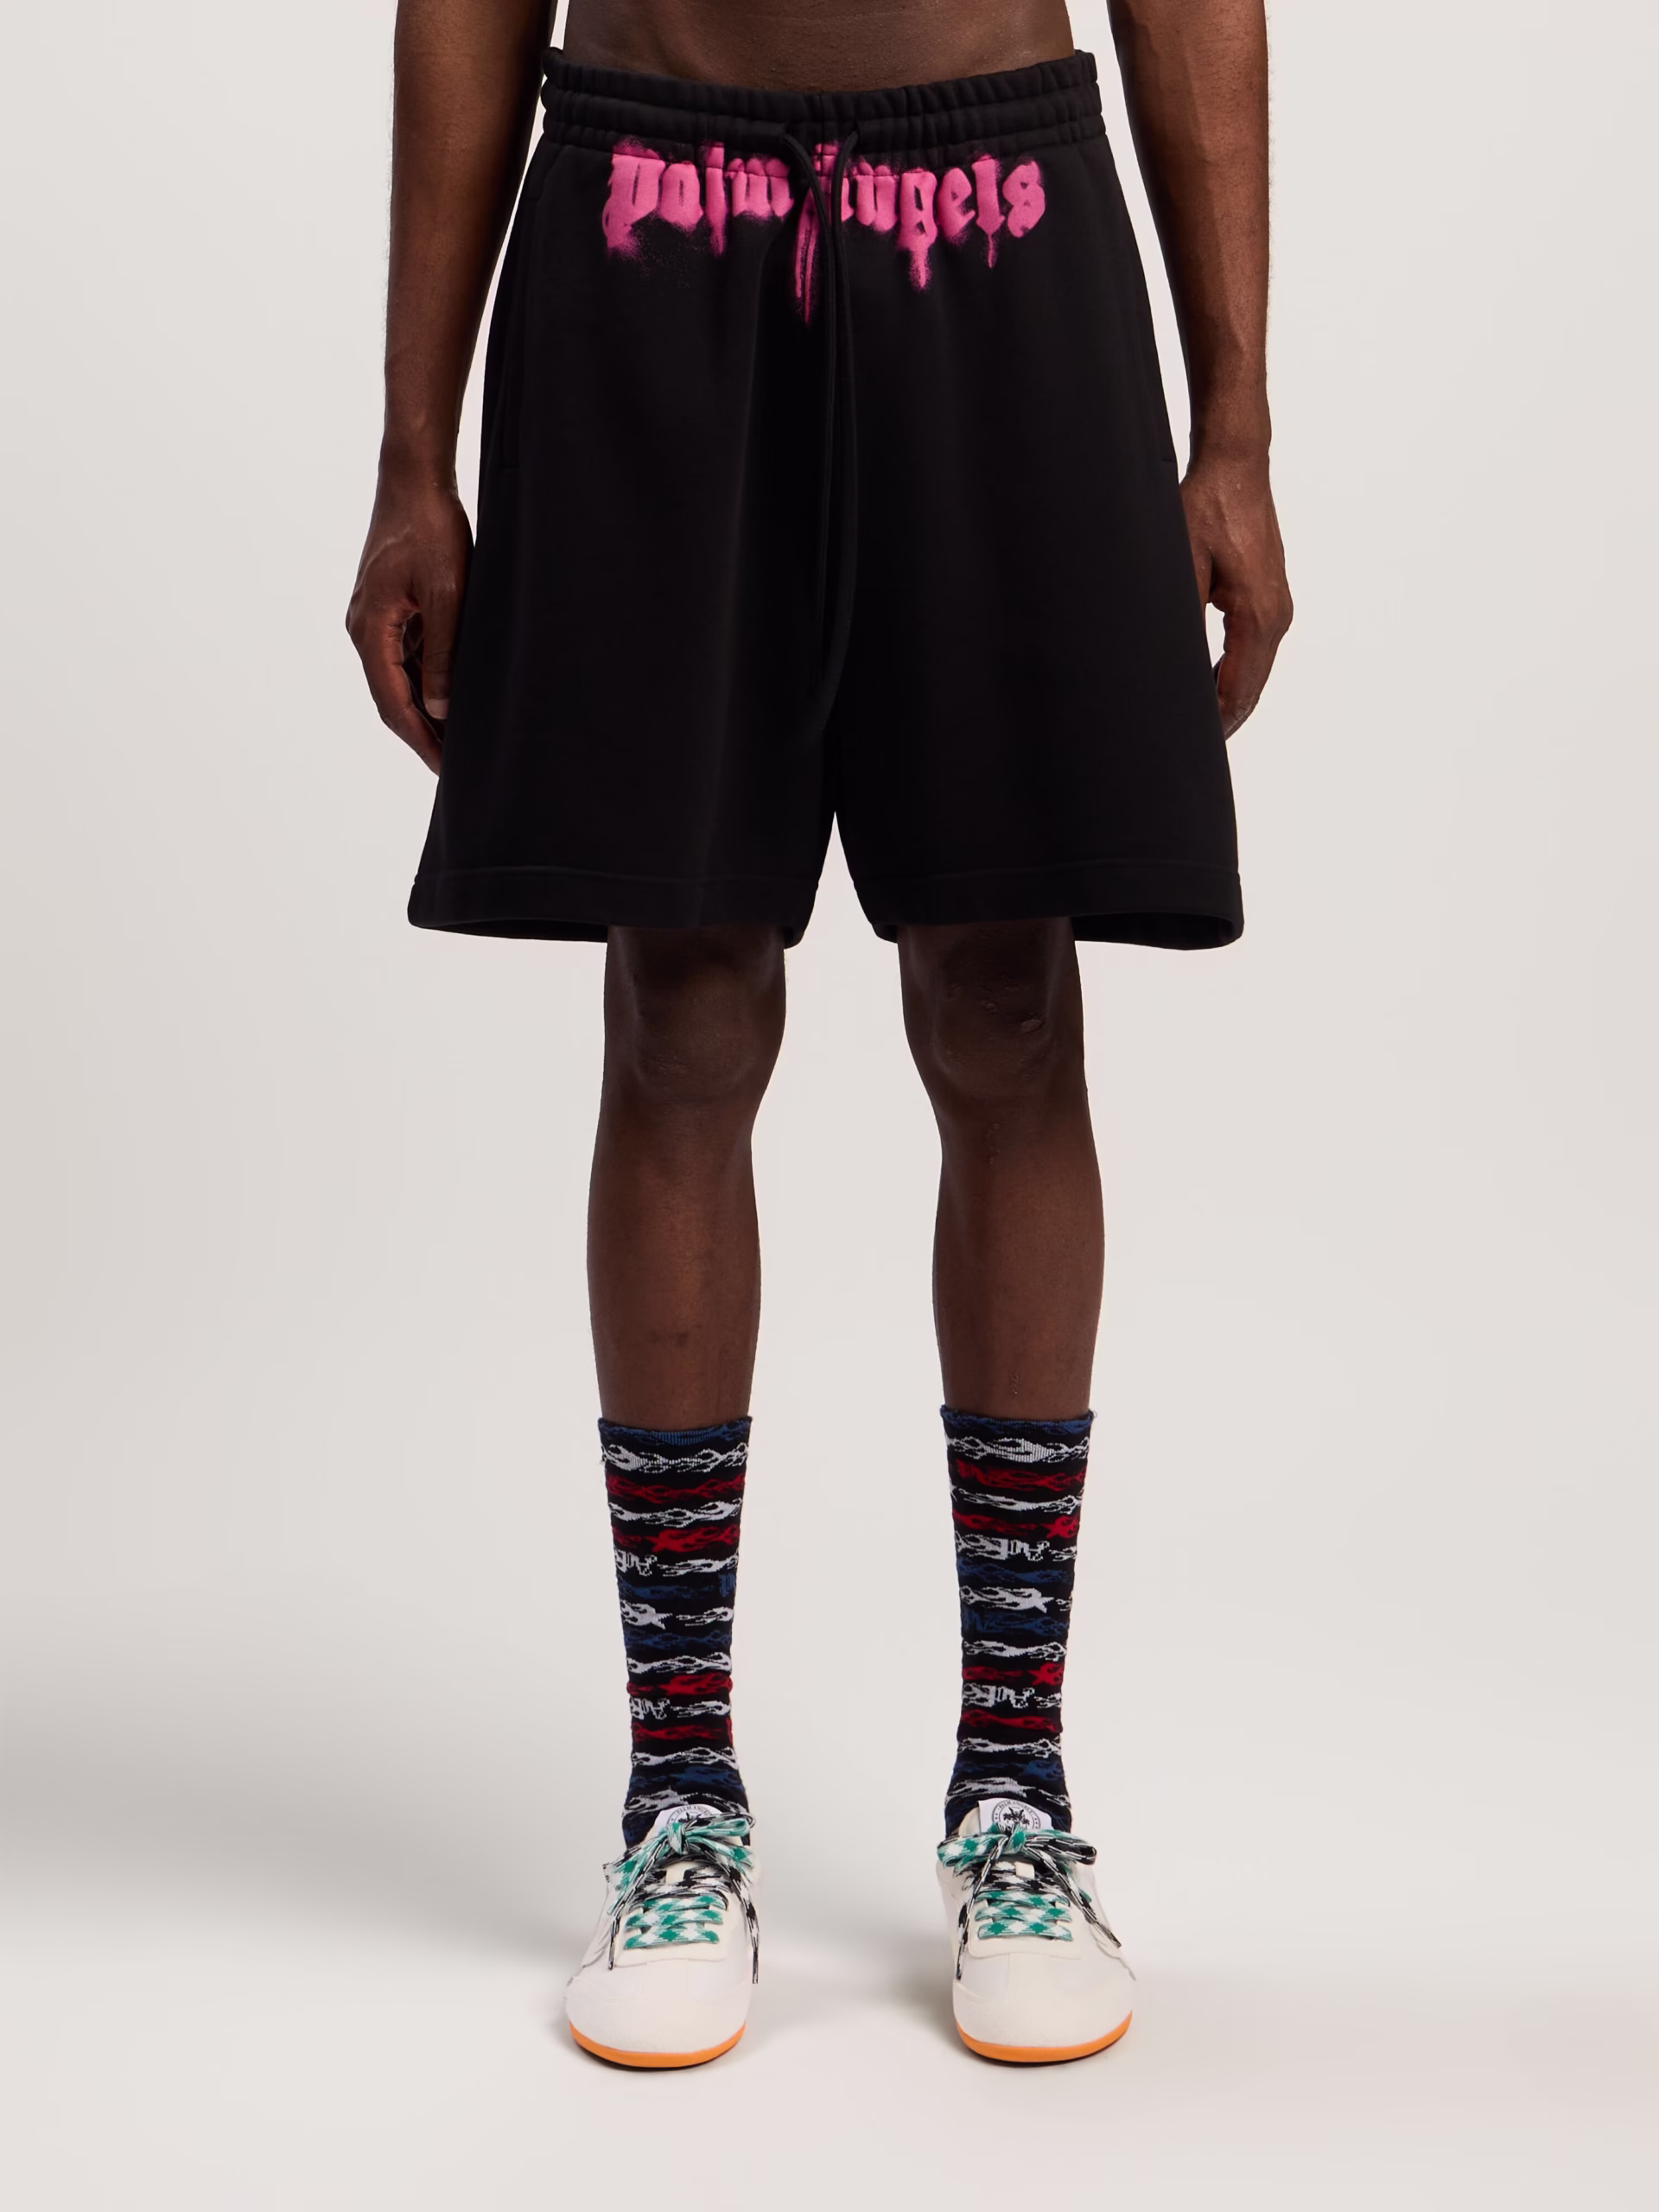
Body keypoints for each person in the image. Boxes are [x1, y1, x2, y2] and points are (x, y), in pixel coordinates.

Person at [346, 0, 1291, 2069]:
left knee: (1007, 989)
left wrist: (1235, 426)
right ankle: (679, 1796)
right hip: (647, 216)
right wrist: (414, 450)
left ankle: (1015, 1788)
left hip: (1000, 218)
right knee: (682, 998)